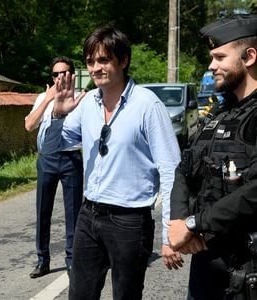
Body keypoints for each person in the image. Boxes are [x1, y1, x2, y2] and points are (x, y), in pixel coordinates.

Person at [51, 24, 181, 299]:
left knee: (125, 295)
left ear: (123, 60)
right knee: (80, 295)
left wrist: (171, 233)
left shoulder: (148, 105)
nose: (96, 67)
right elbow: (51, 147)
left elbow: (170, 170)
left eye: (103, 59)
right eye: (90, 61)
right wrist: (57, 115)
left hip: (130, 222)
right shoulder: (86, 104)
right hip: (89, 216)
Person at [167, 14, 257, 300]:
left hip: (248, 266)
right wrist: (179, 225)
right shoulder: (219, 113)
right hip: (207, 260)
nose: (211, 65)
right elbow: (185, 168)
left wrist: (194, 224)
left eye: (220, 57)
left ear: (250, 56)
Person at [25, 56, 84, 278]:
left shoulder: (80, 99)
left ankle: (72, 260)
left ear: (72, 74)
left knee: (73, 213)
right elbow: (29, 125)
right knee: (43, 211)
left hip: (70, 159)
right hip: (47, 159)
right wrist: (48, 99)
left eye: (64, 72)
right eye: (55, 74)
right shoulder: (43, 97)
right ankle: (43, 260)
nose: (60, 77)